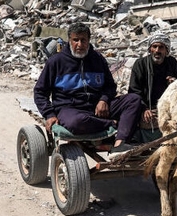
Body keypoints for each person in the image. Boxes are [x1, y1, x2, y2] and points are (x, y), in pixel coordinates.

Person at [34, 22, 142, 154]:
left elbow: (110, 86)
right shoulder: (56, 62)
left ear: (89, 40)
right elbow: (40, 92)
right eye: (75, 40)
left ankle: (119, 145)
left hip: (97, 108)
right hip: (70, 109)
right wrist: (49, 115)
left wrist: (103, 99)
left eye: (83, 40)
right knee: (76, 122)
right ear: (69, 40)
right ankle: (114, 124)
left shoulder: (97, 59)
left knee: (133, 100)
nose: (79, 44)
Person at [128, 32, 177, 135]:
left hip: (168, 107)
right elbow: (134, 91)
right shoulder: (140, 64)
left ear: (166, 51)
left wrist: (174, 83)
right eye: (154, 47)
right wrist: (144, 108)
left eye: (161, 47)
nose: (157, 51)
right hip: (147, 107)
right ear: (150, 49)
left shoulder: (172, 63)